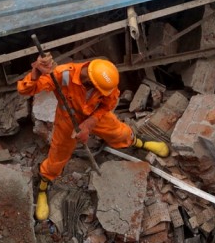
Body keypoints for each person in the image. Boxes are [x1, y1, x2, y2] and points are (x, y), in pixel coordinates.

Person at [17, 53, 169, 221]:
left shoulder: (106, 82)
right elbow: (25, 90)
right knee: (56, 159)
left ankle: (139, 142)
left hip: (96, 117)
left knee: (122, 133)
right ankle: (44, 185)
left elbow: (108, 104)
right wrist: (37, 72)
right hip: (68, 120)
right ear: (90, 80)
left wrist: (88, 125)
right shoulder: (63, 75)